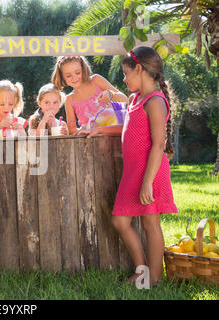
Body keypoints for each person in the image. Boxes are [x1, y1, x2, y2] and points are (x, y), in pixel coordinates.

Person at [79, 47, 178, 287]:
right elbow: (127, 124)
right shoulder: (135, 98)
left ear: (140, 69)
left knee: (150, 223)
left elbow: (158, 146)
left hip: (150, 172)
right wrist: (100, 128)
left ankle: (152, 277)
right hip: (132, 172)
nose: (124, 79)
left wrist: (147, 182)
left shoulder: (155, 101)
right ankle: (142, 268)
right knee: (120, 221)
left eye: (126, 73)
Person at [51, 56, 128, 133]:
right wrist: (78, 130)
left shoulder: (96, 80)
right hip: (93, 141)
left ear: (83, 70)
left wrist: (111, 95)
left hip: (115, 134)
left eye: (77, 73)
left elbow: (125, 99)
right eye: (68, 76)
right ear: (62, 77)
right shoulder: (69, 100)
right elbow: (72, 130)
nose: (74, 78)